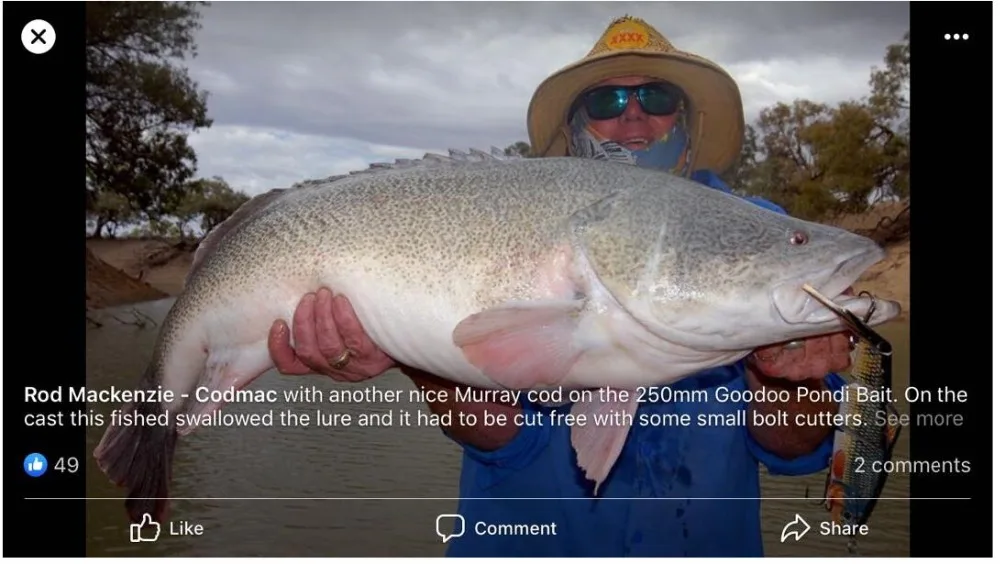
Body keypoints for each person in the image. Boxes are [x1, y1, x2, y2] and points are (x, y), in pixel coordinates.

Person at [268, 15, 851, 557]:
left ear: (687, 120)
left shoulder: (761, 231)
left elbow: (793, 448)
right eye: (606, 100)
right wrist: (406, 346)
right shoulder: (503, 214)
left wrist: (781, 374)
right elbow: (498, 435)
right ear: (574, 127)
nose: (632, 117)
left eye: (656, 97)